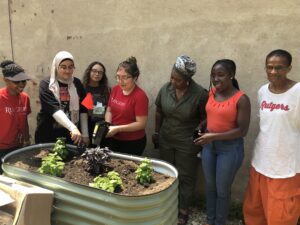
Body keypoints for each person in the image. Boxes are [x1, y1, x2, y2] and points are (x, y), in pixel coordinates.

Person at [243, 49, 300, 225]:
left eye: (279, 68)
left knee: (281, 214)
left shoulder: (298, 92)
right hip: (261, 161)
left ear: (289, 68)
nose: (273, 72)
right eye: (269, 67)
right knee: (254, 208)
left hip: (285, 166)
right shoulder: (262, 91)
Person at [153, 55, 208, 225]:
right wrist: (156, 132)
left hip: (187, 141)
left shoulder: (199, 94)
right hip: (167, 137)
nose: (172, 81)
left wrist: (197, 139)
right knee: (166, 172)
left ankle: (183, 210)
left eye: (176, 79)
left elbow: (205, 118)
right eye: (171, 77)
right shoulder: (165, 89)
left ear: (187, 80)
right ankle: (167, 205)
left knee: (185, 176)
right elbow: (159, 111)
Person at [194, 59, 251, 225]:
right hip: (209, 148)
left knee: (222, 190)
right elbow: (211, 115)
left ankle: (219, 222)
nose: (215, 79)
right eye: (213, 75)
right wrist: (201, 126)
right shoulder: (213, 93)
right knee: (210, 188)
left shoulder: (241, 99)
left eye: (220, 75)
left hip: (229, 149)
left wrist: (212, 136)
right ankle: (210, 220)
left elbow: (242, 130)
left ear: (231, 75)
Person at [35, 51, 89, 145]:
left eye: (70, 67)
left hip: (72, 136)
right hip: (48, 133)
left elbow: (84, 109)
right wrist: (73, 128)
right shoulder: (47, 84)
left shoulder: (77, 83)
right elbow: (54, 109)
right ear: (56, 67)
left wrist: (85, 134)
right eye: (63, 67)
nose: (67, 71)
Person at [105, 56, 148, 156]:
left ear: (135, 77)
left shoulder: (140, 96)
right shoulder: (115, 89)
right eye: (118, 77)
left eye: (125, 77)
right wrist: (107, 124)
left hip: (132, 142)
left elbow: (141, 124)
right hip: (114, 139)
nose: (120, 81)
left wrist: (118, 128)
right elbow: (109, 110)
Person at [0, 60, 31, 172]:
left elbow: (24, 121)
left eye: (23, 81)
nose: (22, 84)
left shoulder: (25, 98)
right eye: (17, 82)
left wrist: (27, 140)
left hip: (17, 147)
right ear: (6, 80)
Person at [82, 61, 110, 147]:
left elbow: (108, 109)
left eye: (100, 72)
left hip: (101, 127)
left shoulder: (107, 90)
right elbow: (82, 110)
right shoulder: (82, 88)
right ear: (89, 71)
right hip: (86, 126)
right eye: (94, 71)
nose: (97, 74)